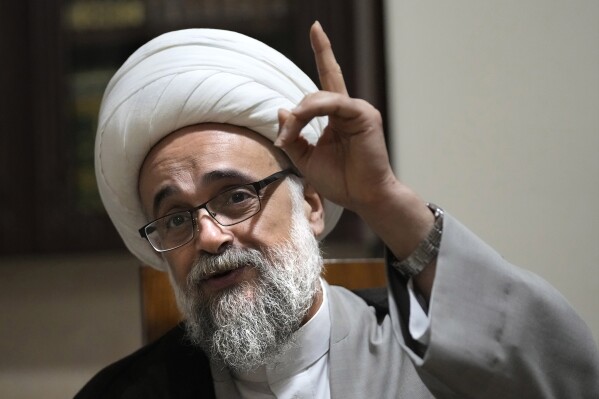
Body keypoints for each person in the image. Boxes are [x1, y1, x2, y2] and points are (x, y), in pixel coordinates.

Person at [76, 22, 599, 398]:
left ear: (311, 205)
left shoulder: (433, 358)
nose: (209, 237)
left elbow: (569, 381)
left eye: (236, 196)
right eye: (175, 219)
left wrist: (383, 200)